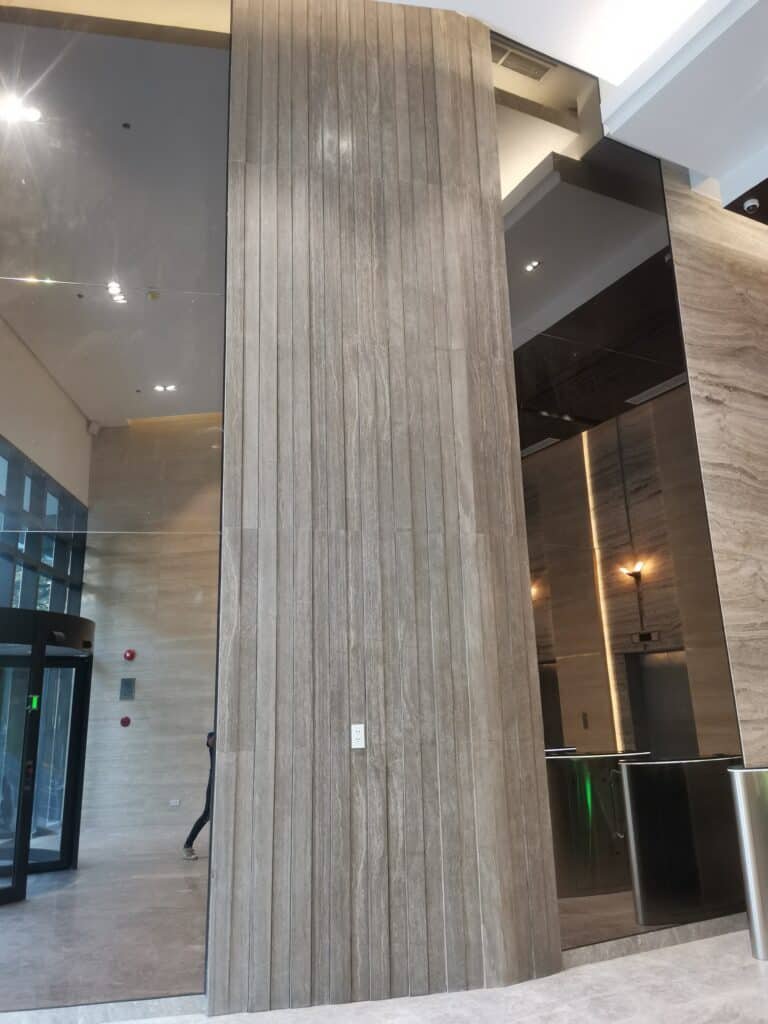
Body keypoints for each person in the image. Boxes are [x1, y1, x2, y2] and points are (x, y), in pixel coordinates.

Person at [183, 731, 215, 860]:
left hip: (225, 780)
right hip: (214, 781)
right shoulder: (213, 735)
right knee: (207, 815)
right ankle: (187, 846)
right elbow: (210, 742)